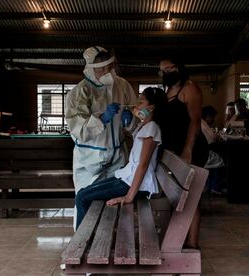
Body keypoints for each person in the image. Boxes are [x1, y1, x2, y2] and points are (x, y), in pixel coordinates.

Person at [74, 87, 167, 228]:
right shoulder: (144, 126)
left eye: (141, 102)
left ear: (152, 107)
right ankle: (87, 237)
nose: (136, 106)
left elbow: (143, 165)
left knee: (82, 198)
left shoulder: (152, 128)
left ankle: (83, 243)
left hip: (133, 184)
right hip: (126, 178)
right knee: (82, 193)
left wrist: (129, 196)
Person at [65, 46, 138, 221]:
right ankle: (83, 243)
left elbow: (138, 115)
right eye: (102, 69)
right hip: (89, 160)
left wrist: (131, 121)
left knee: (115, 204)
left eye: (109, 67)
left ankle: (111, 241)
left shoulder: (123, 85)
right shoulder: (79, 92)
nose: (107, 72)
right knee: (85, 202)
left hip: (118, 156)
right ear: (91, 69)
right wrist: (101, 119)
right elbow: (77, 130)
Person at [159, 58, 208, 249]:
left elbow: (194, 122)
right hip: (173, 150)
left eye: (168, 69)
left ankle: (193, 243)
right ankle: (179, 237)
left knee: (192, 197)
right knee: (178, 195)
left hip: (191, 148)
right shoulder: (168, 90)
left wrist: (188, 150)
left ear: (178, 68)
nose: (164, 73)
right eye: (161, 70)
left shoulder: (190, 88)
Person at [201, 106, 225, 194]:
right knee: (221, 161)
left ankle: (211, 186)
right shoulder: (202, 125)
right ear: (207, 116)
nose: (213, 120)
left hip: (206, 150)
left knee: (217, 161)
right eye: (212, 117)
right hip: (205, 152)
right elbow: (210, 141)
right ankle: (215, 186)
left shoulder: (203, 123)